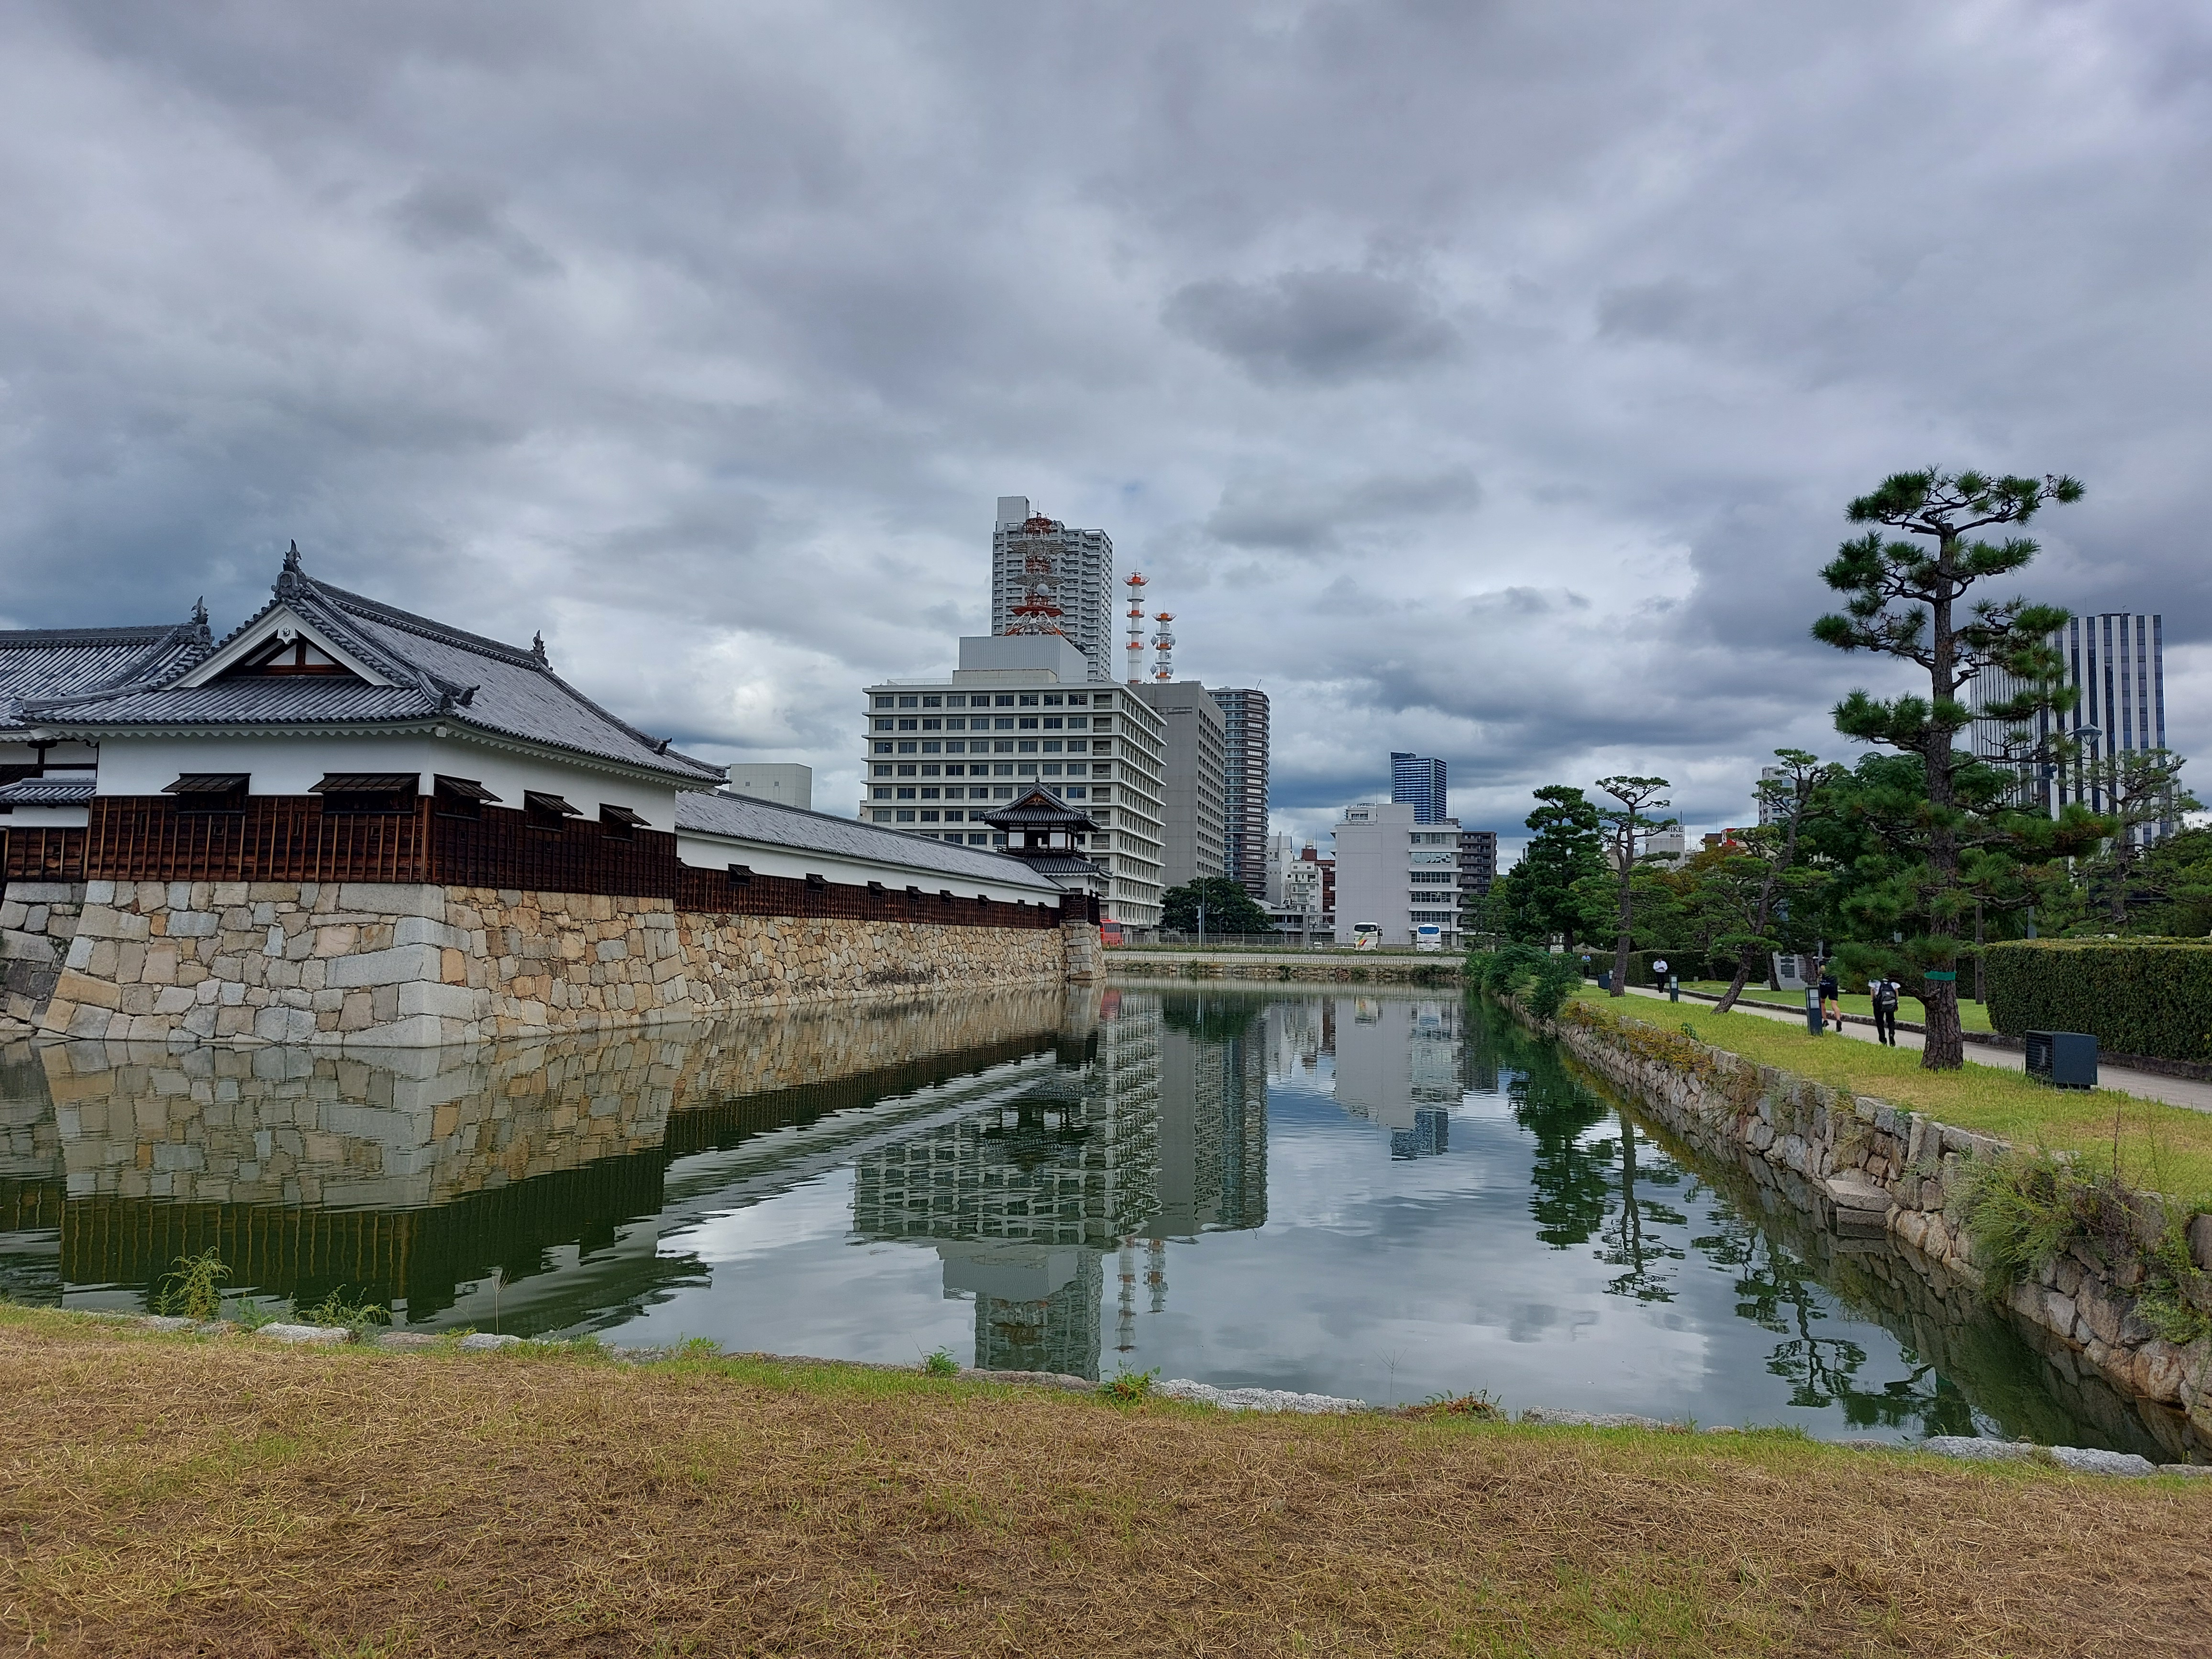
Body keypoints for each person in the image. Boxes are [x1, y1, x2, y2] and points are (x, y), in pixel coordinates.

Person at [1870, 974, 1901, 1047]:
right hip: (1891, 1003)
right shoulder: (1893, 980)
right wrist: (1896, 1003)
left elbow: (1872, 989)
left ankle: (1883, 1039)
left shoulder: (1875, 979)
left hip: (1879, 1003)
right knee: (1891, 1020)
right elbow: (1896, 991)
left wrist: (1872, 1000)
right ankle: (1891, 1034)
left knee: (1879, 1021)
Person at [1817, 963, 1842, 1032]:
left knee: (1822, 1002)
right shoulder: (1835, 965)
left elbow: (1820, 973)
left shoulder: (1822, 963)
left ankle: (1825, 1020)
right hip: (1833, 986)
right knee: (1834, 1005)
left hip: (1824, 986)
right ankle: (1838, 1020)